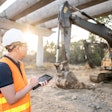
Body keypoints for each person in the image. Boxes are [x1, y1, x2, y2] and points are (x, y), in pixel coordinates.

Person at [0, 28, 47, 112]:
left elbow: (20, 88)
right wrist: (30, 85)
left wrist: (35, 83)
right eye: (25, 46)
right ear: (16, 47)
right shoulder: (3, 67)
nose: (27, 48)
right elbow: (12, 99)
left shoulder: (20, 64)